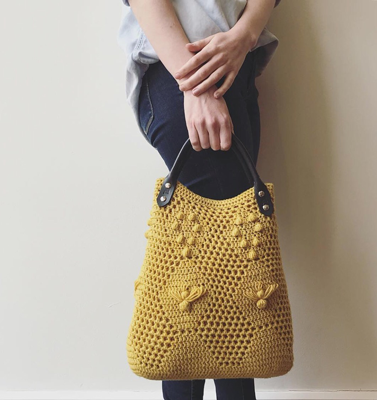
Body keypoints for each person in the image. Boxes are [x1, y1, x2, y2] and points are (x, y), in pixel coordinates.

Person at [117, 1, 282, 399]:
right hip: (180, 70)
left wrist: (244, 37)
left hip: (238, 66)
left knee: (223, 269)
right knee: (221, 278)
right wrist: (192, 82)